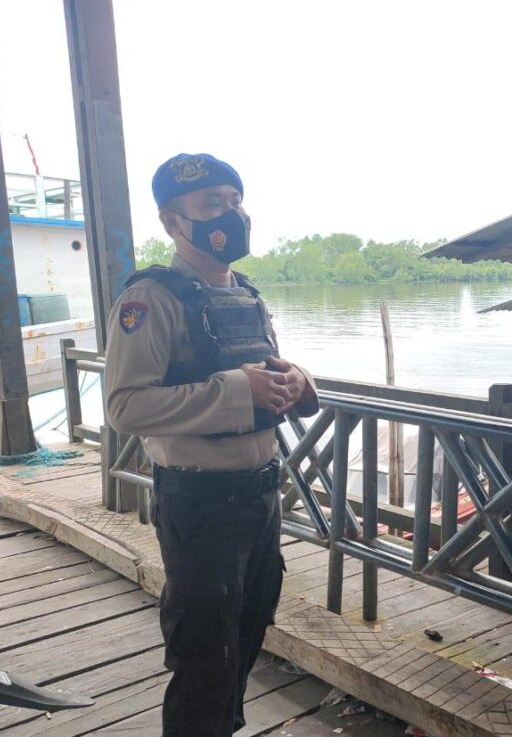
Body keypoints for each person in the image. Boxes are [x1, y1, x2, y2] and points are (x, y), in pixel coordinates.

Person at [104, 153, 319, 737]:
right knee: (203, 652)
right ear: (173, 222)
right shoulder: (149, 300)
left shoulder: (246, 293)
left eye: (234, 201)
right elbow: (124, 408)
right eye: (212, 205)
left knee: (249, 629)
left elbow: (263, 371)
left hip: (261, 497)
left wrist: (297, 381)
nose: (231, 214)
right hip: (199, 502)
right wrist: (231, 390)